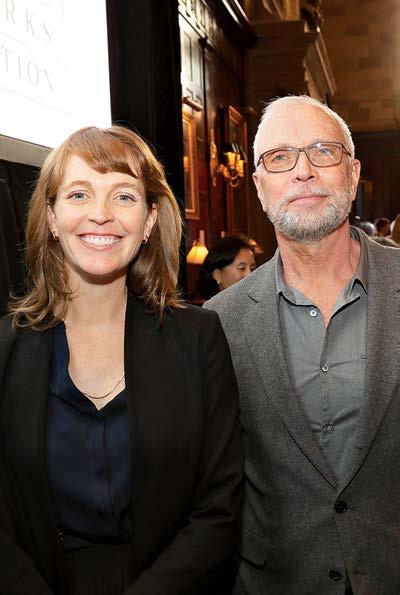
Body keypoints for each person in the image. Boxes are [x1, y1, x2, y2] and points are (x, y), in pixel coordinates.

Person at [0, 125, 243, 595]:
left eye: (124, 197)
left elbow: (219, 507)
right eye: (79, 194)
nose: (101, 214)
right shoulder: (4, 350)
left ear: (149, 221)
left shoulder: (199, 338)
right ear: (51, 218)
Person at [204, 95, 400, 594]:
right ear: (259, 186)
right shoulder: (218, 322)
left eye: (323, 151)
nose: (303, 171)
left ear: (353, 173)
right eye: (280, 157)